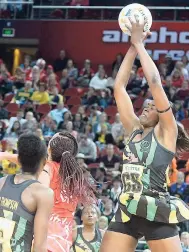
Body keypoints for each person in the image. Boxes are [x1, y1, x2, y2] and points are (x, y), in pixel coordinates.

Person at [100, 16, 189, 252]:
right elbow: (119, 87)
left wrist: (140, 45)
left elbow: (155, 83)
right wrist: (131, 47)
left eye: (152, 107)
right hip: (128, 207)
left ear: (161, 115)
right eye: (145, 105)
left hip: (155, 208)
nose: (147, 107)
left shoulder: (166, 132)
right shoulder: (134, 130)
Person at [0, 133, 54, 252]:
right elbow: (40, 245)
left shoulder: (1, 183)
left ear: (18, 160)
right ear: (44, 162)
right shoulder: (43, 194)